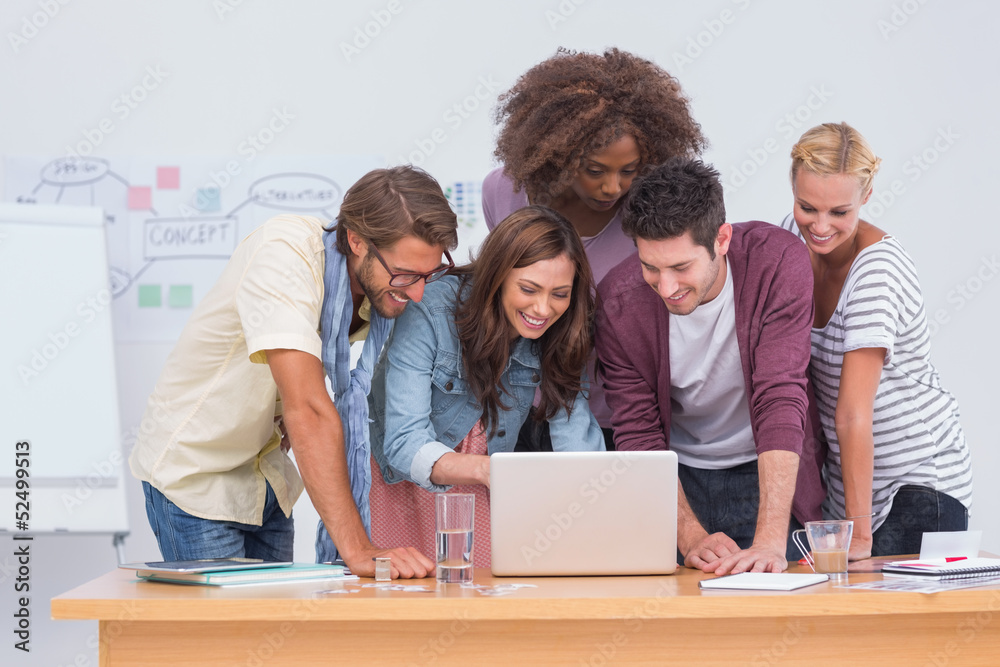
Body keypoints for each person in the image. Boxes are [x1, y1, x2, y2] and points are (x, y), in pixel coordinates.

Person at [130, 166, 458, 578]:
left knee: (273, 638)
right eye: (405, 274)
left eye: (427, 274)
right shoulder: (284, 253)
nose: (417, 293)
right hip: (198, 477)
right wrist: (357, 548)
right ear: (356, 240)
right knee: (225, 640)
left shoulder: (375, 285)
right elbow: (309, 409)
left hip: (265, 477)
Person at [595, 158, 823, 575]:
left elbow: (780, 395)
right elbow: (637, 430)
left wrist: (771, 541)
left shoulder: (777, 262)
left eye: (681, 267)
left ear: (721, 239)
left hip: (769, 471)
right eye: (650, 266)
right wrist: (688, 534)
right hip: (679, 481)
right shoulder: (617, 301)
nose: (666, 287)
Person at [483, 47, 706, 449]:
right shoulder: (504, 192)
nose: (613, 187)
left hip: (618, 420)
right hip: (513, 410)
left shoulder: (651, 221)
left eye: (629, 170)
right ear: (561, 155)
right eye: (595, 170)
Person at [367, 205, 606, 566]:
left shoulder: (562, 328)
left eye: (560, 293)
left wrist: (597, 501)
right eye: (529, 289)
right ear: (497, 276)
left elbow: (576, 439)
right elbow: (403, 444)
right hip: (400, 487)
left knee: (477, 605)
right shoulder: (430, 309)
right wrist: (487, 471)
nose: (543, 309)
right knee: (402, 607)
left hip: (481, 490)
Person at [782, 122, 973, 559]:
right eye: (807, 206)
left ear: (865, 197)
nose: (821, 226)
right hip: (848, 485)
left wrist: (860, 532)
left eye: (840, 212)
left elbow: (852, 414)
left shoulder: (877, 271)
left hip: (918, 482)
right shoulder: (791, 240)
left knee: (895, 624)